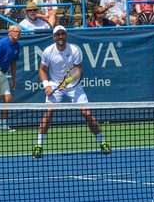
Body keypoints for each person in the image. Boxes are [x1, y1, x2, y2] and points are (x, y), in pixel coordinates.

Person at [33, 26, 110, 158]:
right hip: (54, 84)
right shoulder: (48, 51)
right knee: (49, 112)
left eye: (63, 34)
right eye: (58, 34)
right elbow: (42, 70)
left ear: (66, 35)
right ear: (54, 37)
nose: (60, 36)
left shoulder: (74, 50)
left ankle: (102, 142)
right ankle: (39, 146)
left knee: (86, 112)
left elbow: (78, 71)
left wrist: (67, 81)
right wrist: (46, 85)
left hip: (74, 85)